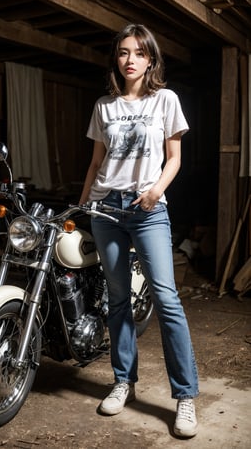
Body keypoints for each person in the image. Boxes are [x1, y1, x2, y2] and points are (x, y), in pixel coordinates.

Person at [79, 23, 199, 438]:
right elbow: (97, 165)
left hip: (148, 210)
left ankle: (184, 396)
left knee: (165, 298)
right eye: (123, 53)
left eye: (139, 53)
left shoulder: (165, 100)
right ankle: (123, 382)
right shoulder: (104, 106)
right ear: (117, 58)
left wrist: (154, 193)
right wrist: (82, 206)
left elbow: (174, 159)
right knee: (117, 300)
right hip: (106, 209)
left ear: (151, 59)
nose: (130, 60)